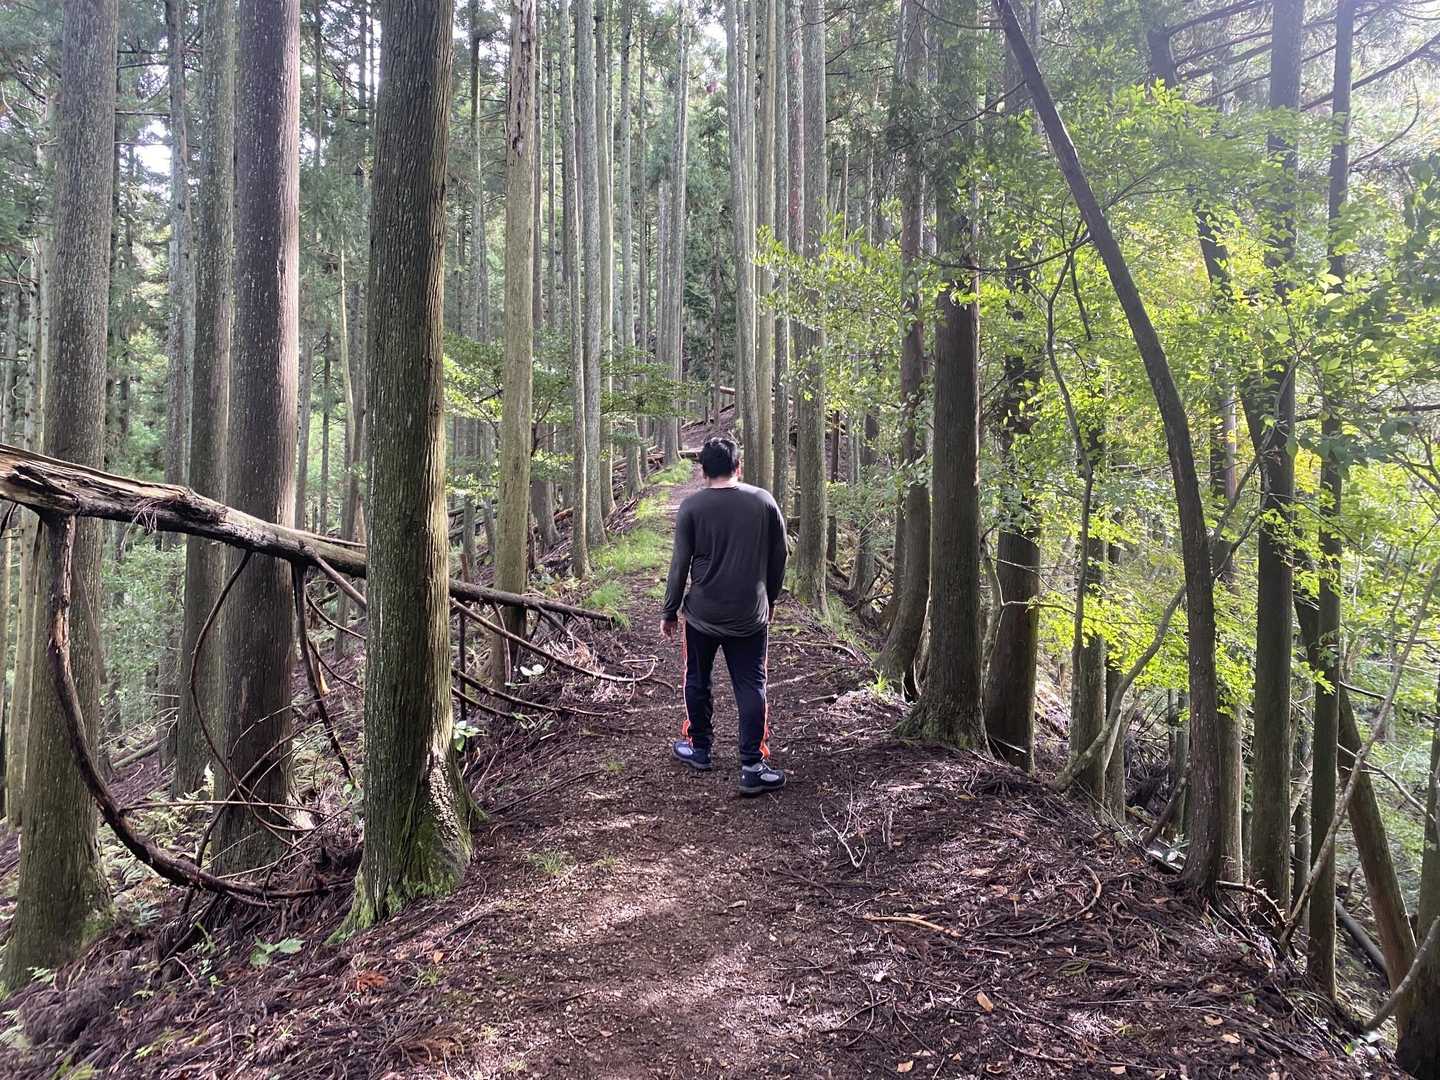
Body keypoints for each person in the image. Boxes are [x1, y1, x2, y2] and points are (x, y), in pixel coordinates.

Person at [660, 436, 788, 796]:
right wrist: (770, 598)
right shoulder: (763, 501)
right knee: (751, 685)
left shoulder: (692, 507)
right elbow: (780, 555)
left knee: (697, 678)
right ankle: (752, 766)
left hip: (702, 614)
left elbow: (679, 565)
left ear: (703, 471)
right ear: (738, 466)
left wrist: (669, 610)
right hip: (749, 615)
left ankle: (699, 749)